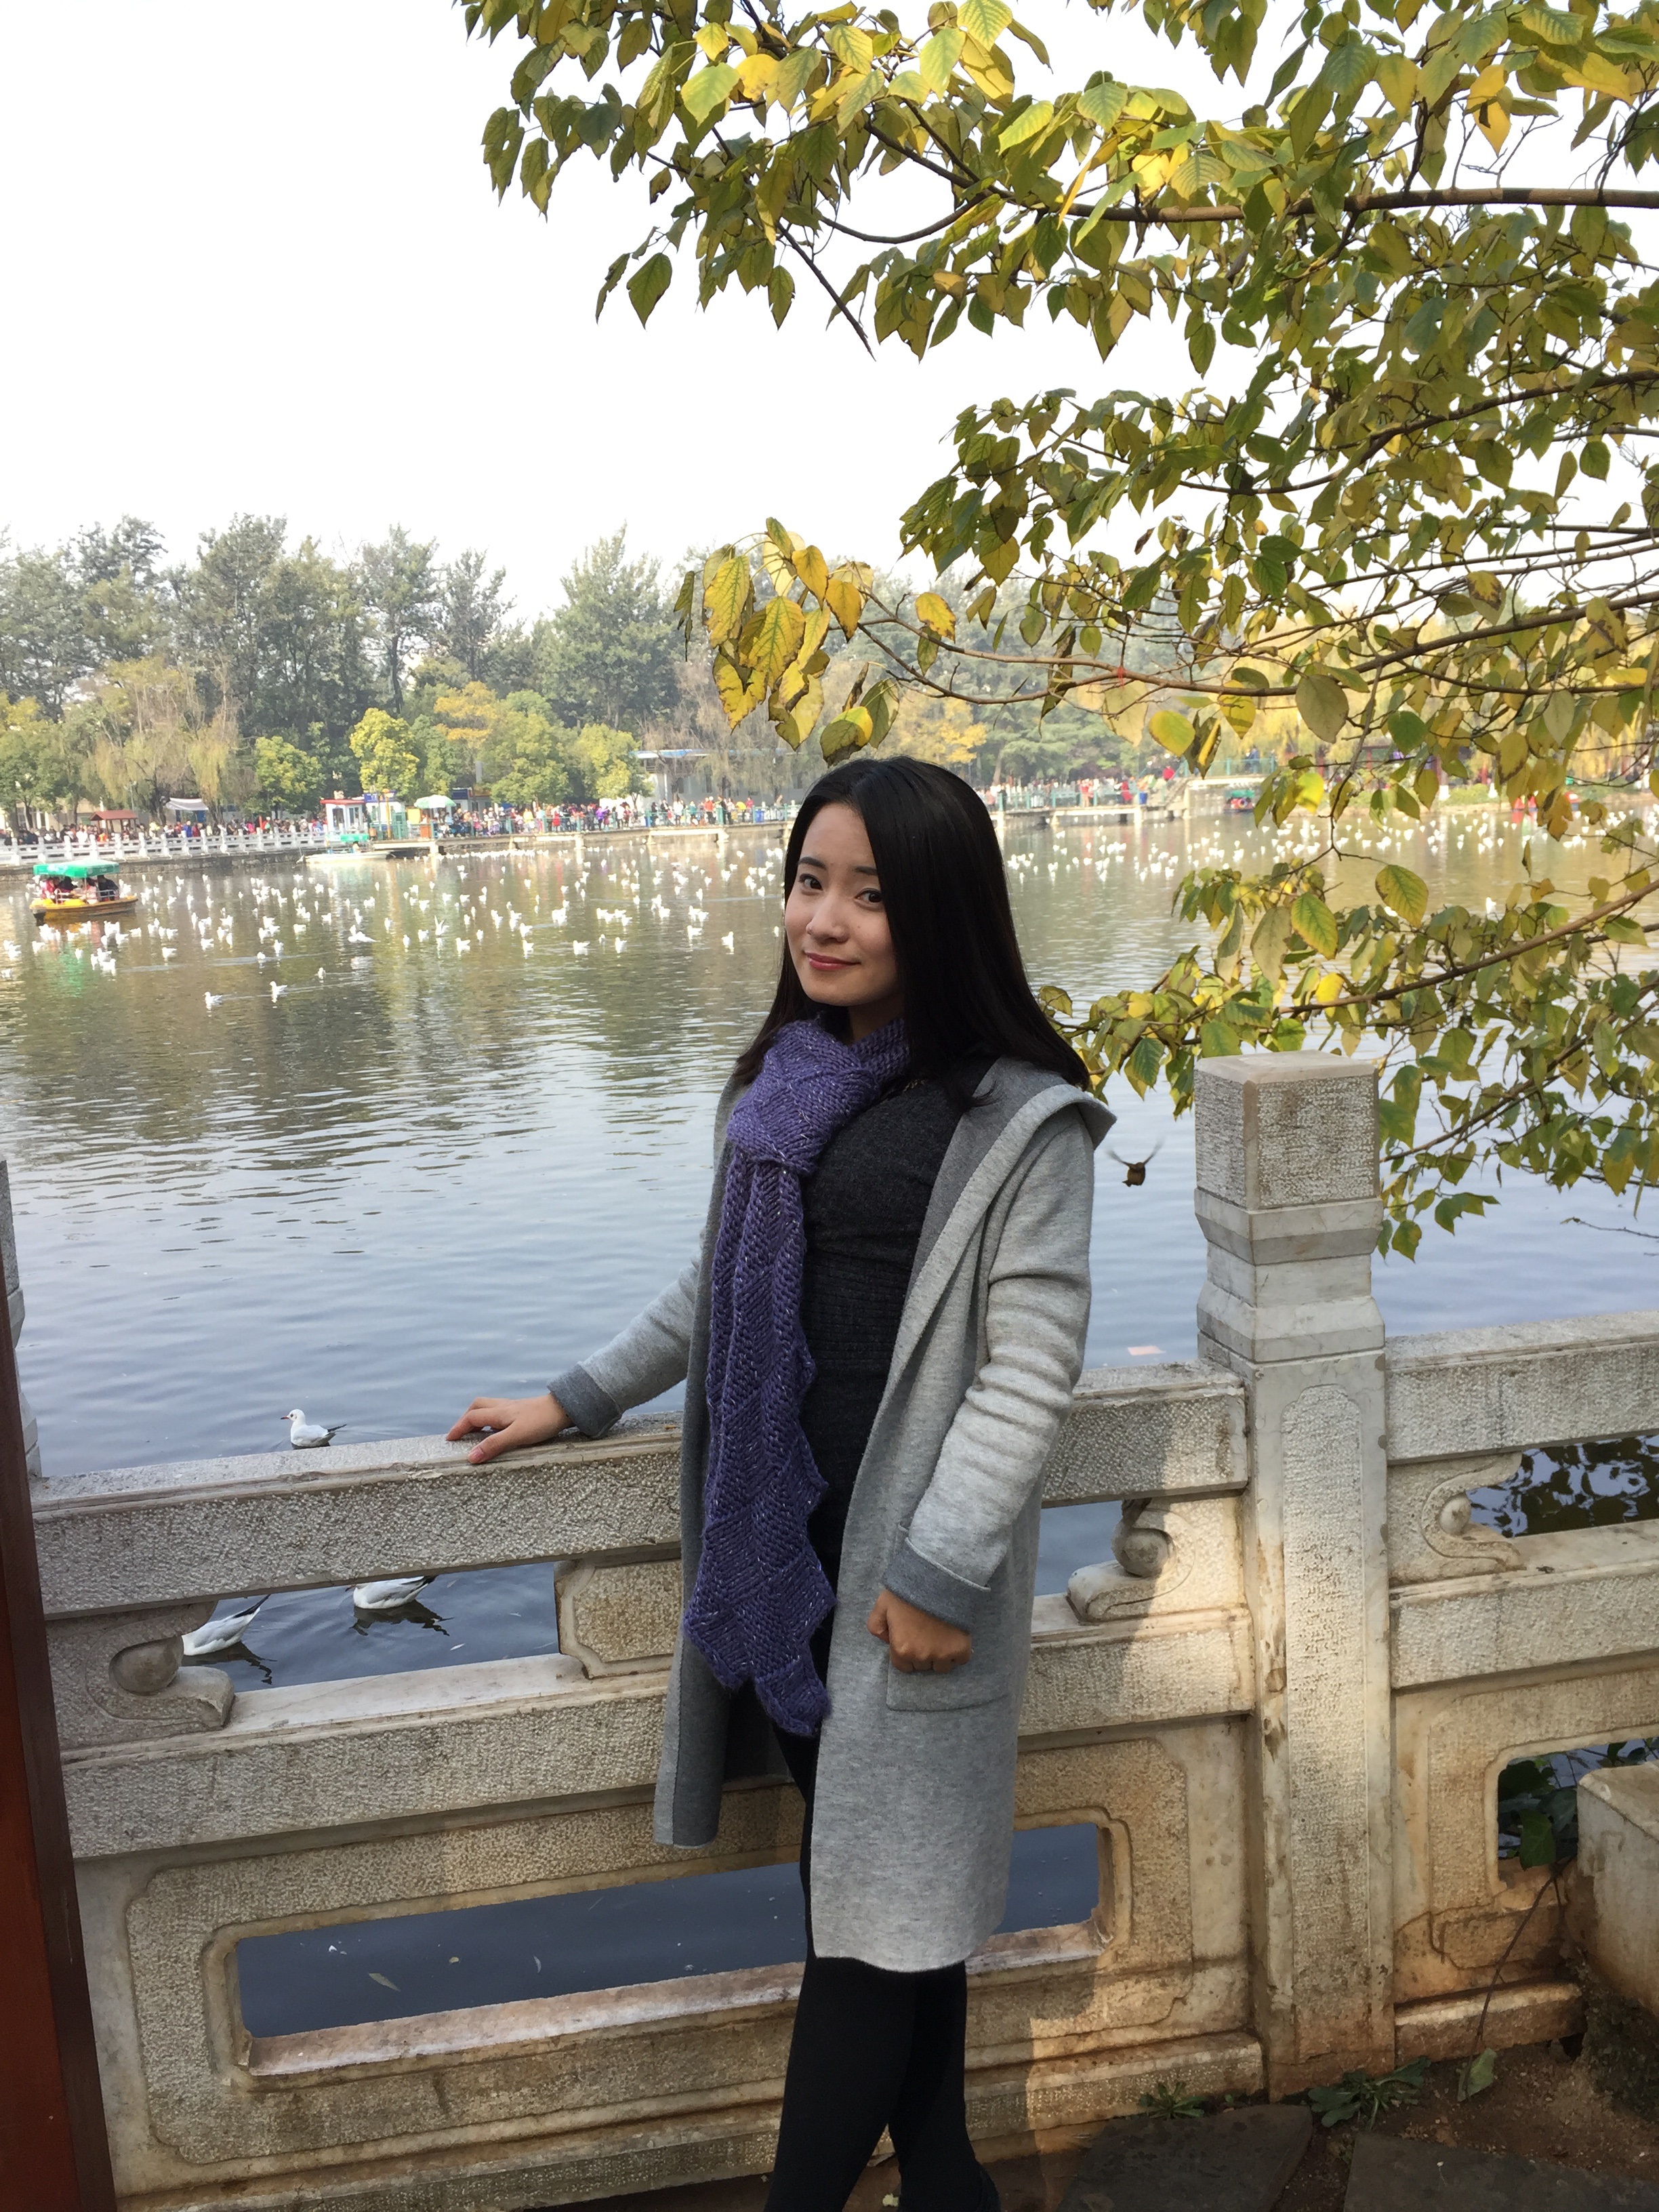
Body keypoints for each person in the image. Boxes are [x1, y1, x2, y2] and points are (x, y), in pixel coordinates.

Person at [449, 756, 1112, 2212]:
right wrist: (574, 1398)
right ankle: (950, 2182)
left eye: (871, 895)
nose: (826, 919)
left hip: (901, 1585)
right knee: (885, 1912)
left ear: (943, 914)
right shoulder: (779, 1090)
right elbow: (715, 1292)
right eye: (811, 881)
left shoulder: (1021, 1120)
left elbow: (1029, 1369)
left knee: (869, 1933)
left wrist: (937, 1574)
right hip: (781, 1557)